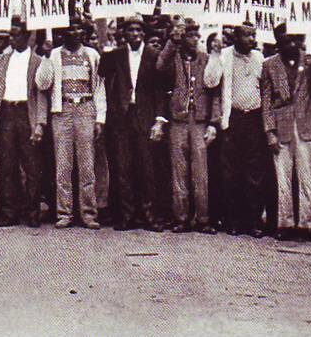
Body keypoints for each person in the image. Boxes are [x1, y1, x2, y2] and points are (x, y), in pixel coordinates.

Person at [36, 17, 106, 230]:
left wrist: (100, 117)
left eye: (79, 29)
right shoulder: (54, 54)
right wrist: (46, 57)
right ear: (63, 33)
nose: (75, 32)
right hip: (62, 110)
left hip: (85, 108)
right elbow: (42, 82)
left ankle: (88, 213)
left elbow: (99, 88)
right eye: (71, 29)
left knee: (87, 165)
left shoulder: (92, 55)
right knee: (63, 165)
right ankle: (64, 213)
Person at [99, 15, 166, 232]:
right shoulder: (115, 55)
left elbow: (160, 91)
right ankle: (126, 216)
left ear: (144, 33)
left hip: (145, 117)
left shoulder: (154, 55)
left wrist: (159, 120)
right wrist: (107, 46)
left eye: (138, 30)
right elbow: (102, 74)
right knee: (123, 167)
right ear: (124, 34)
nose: (135, 34)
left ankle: (149, 216)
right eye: (130, 30)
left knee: (148, 168)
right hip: (122, 117)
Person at [205, 23, 270, 237]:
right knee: (231, 172)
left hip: (254, 119)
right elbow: (210, 81)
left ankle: (252, 221)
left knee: (254, 172)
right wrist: (214, 55)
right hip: (233, 118)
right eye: (248, 35)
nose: (252, 39)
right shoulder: (223, 55)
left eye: (254, 35)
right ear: (237, 37)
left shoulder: (259, 58)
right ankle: (232, 220)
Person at [262, 24, 311, 243]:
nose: (289, 44)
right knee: (283, 179)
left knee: (306, 178)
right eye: (284, 41)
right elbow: (267, 101)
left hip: (305, 124)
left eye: (292, 40)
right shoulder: (269, 65)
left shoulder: (310, 61)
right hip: (281, 127)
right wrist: (269, 131)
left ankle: (307, 224)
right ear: (277, 42)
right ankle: (285, 223)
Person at [155, 19, 219, 233]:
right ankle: (181, 218)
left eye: (195, 36)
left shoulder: (206, 59)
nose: (194, 40)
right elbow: (159, 66)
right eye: (189, 36)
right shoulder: (173, 58)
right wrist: (172, 41)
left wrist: (213, 122)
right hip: (178, 120)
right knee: (179, 170)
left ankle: (203, 219)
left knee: (200, 172)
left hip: (199, 120)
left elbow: (215, 91)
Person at [0, 16, 47, 228]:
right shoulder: (2, 59)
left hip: (26, 113)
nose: (12, 39)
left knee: (32, 166)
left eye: (16, 34)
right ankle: (8, 212)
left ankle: (32, 212)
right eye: (10, 34)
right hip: (6, 112)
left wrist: (40, 123)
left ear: (28, 36)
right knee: (8, 165)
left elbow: (42, 93)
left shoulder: (38, 61)